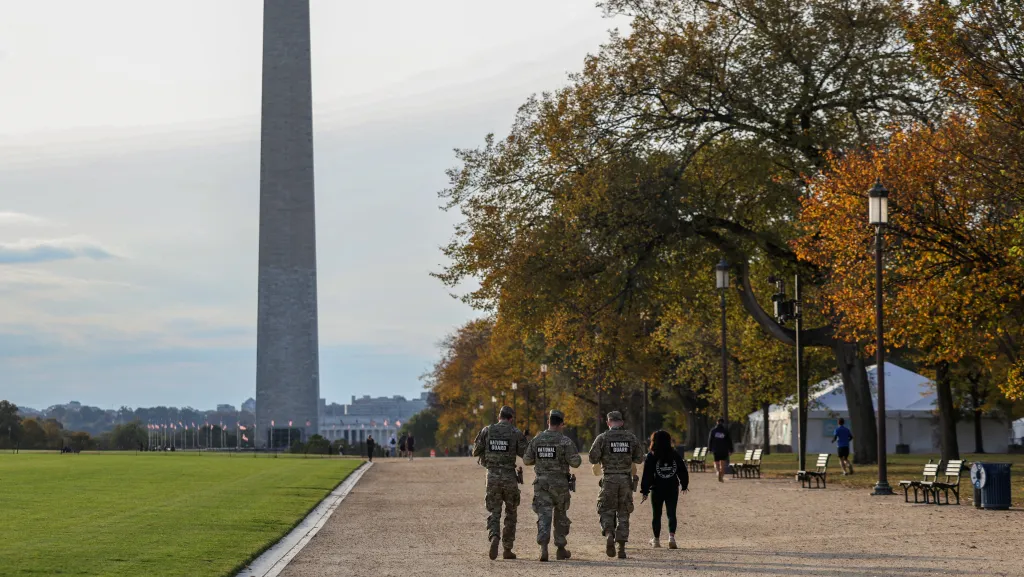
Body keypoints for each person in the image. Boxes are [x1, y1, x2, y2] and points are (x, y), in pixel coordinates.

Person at [523, 409, 581, 562]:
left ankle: (543, 547)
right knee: (561, 516)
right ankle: (561, 548)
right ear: (561, 423)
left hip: (542, 483)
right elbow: (576, 462)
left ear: (548, 422)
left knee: (544, 515)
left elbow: (527, 460)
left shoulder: (537, 440)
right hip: (560, 484)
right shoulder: (565, 441)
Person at [473, 406, 528, 560]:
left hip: (492, 476)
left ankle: (494, 536)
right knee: (511, 513)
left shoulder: (487, 430)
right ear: (511, 418)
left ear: (499, 417)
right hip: (509, 477)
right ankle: (507, 549)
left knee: (494, 511)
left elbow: (475, 451)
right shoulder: (515, 432)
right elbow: (526, 454)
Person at [588, 411, 645, 559]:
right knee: (623, 513)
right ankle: (621, 547)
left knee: (606, 510)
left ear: (608, 422)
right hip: (625, 481)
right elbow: (639, 458)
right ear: (621, 422)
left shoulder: (602, 438)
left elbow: (592, 457)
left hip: (608, 479)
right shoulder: (631, 438)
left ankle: (609, 534)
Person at [640, 430, 689, 549]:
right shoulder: (674, 454)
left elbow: (647, 474)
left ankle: (656, 540)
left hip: (657, 488)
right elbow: (682, 469)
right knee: (671, 513)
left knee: (656, 514)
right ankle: (671, 537)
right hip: (672, 487)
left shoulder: (651, 455)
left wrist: (645, 490)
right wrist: (684, 484)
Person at [708, 418, 733, 482]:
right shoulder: (725, 431)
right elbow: (729, 441)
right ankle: (721, 475)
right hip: (724, 449)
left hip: (716, 449)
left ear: (717, 422)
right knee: (723, 464)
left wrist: (710, 449)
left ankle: (718, 472)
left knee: (716, 462)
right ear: (723, 423)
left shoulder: (713, 431)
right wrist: (730, 449)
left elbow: (710, 440)